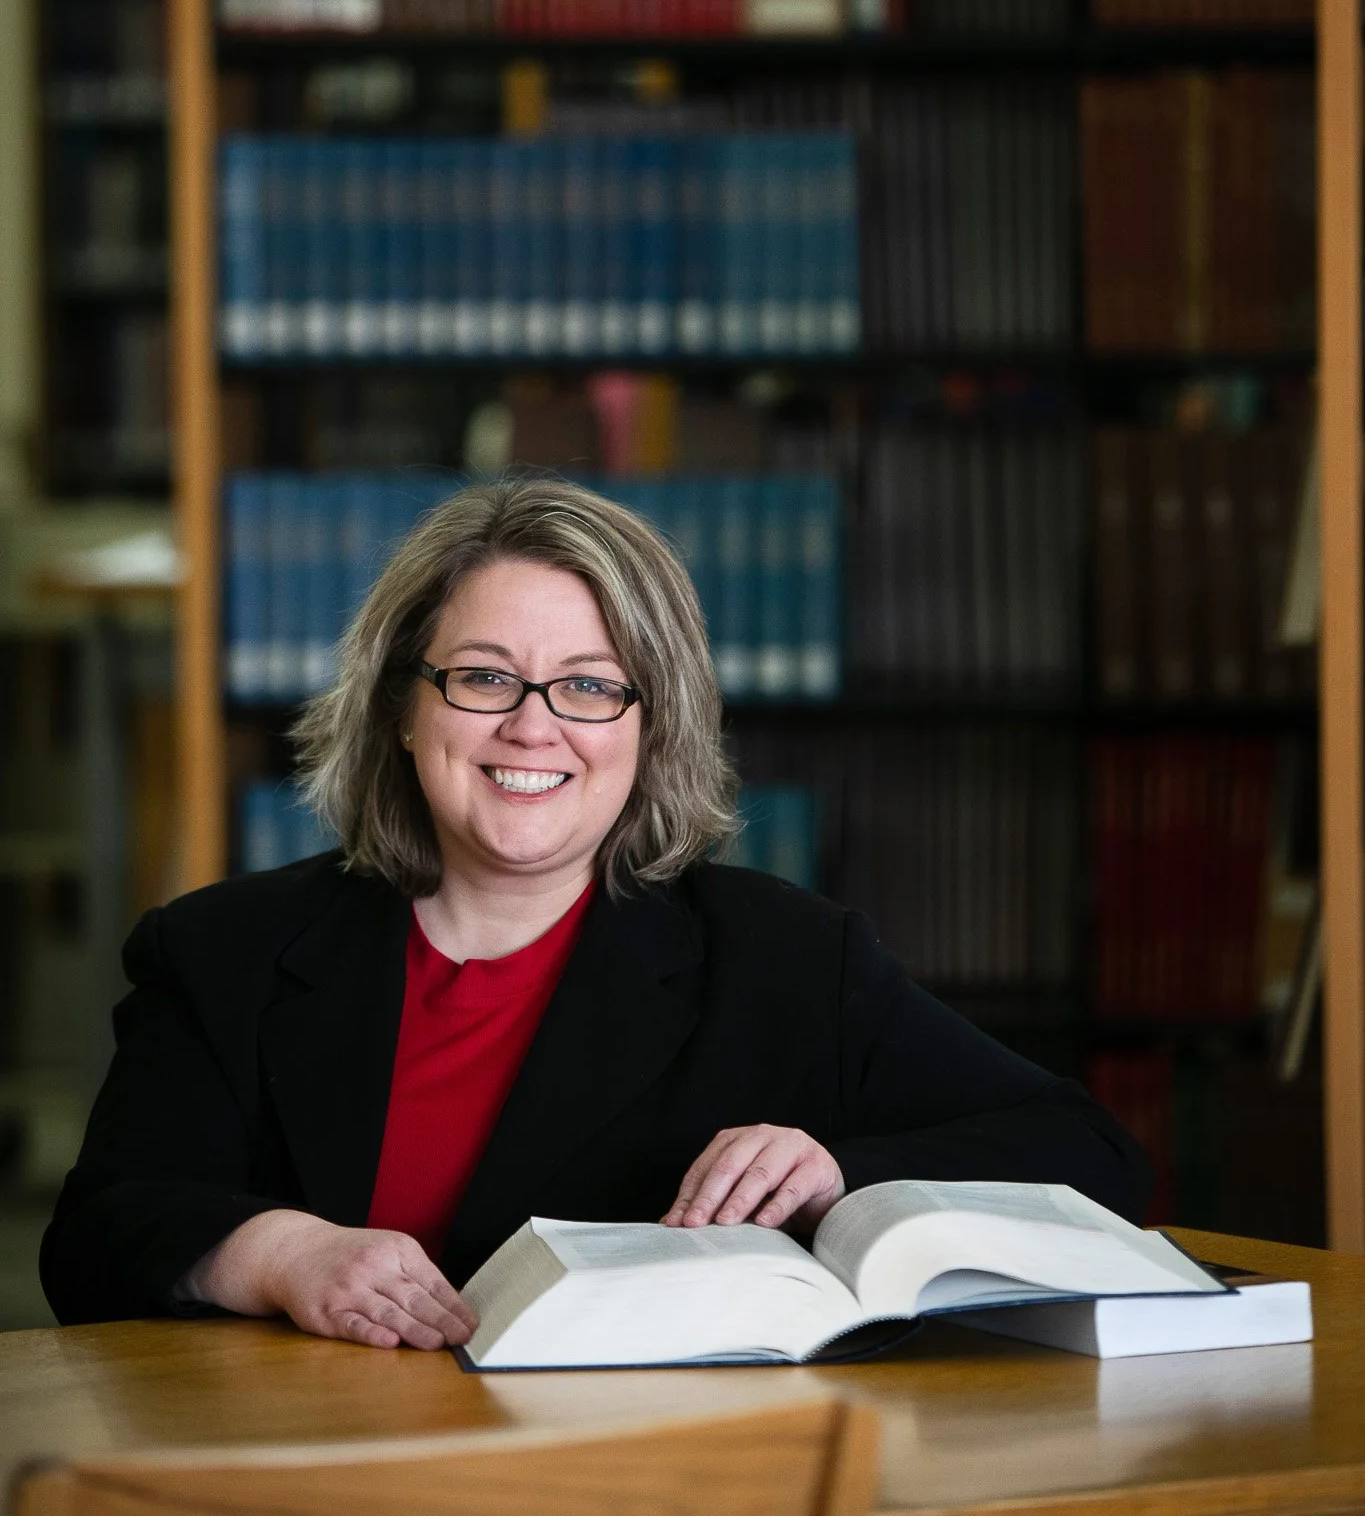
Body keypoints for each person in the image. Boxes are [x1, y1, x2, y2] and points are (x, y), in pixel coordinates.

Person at [42, 476, 1148, 1348]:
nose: (535, 726)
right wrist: (280, 1254)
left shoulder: (786, 959)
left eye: (588, 683)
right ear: (400, 710)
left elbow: (1092, 1152)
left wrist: (836, 1169)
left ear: (648, 724)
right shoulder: (224, 950)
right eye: (483, 676)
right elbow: (94, 1237)